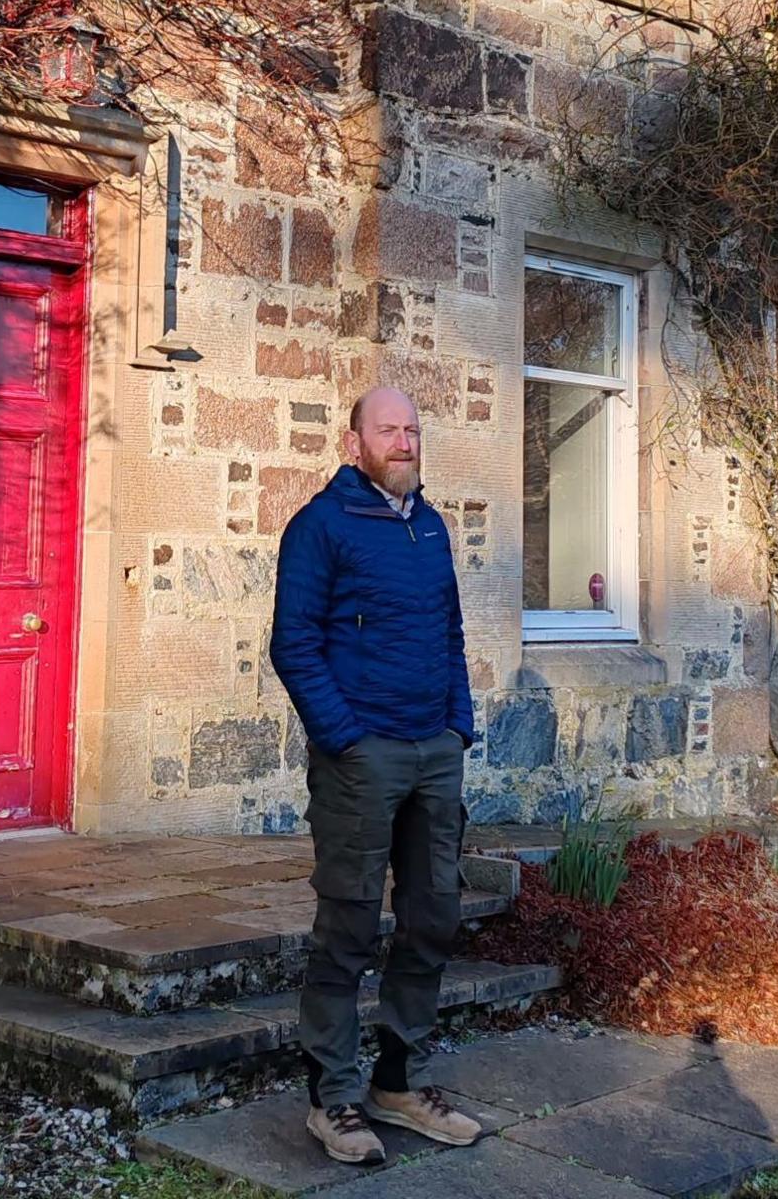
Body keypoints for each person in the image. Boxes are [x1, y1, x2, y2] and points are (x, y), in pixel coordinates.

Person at [269, 386, 481, 1166]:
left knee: (432, 918)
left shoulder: (430, 527)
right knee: (349, 925)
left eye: (413, 430)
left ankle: (399, 1082)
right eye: (387, 429)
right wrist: (346, 739)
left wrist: (459, 723)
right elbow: (293, 644)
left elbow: (451, 632)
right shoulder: (321, 526)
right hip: (363, 756)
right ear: (353, 440)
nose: (404, 441)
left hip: (435, 751)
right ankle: (333, 1097)